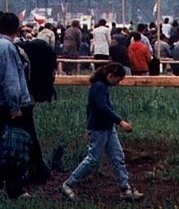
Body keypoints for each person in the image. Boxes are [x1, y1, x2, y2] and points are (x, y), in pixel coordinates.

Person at [60, 63, 144, 201]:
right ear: (110, 75)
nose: (118, 83)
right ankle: (68, 184)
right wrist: (120, 121)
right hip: (99, 128)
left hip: (107, 128)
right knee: (93, 159)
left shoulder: (101, 86)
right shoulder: (99, 87)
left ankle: (125, 188)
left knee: (118, 157)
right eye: (118, 79)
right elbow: (101, 107)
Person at [0, 12, 34, 198]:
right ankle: (14, 188)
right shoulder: (7, 48)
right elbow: (10, 79)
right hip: (8, 106)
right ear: (17, 29)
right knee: (15, 146)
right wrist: (15, 106)